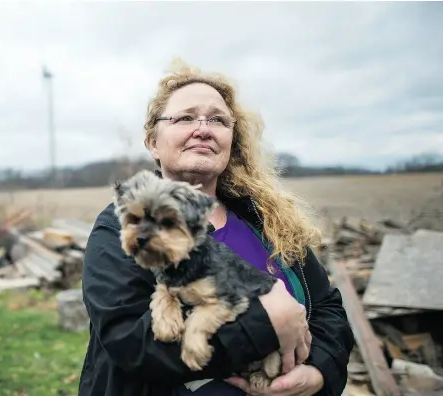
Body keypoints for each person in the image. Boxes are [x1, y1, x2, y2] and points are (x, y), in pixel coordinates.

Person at [78, 59, 354, 396]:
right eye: (185, 118)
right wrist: (266, 323)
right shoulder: (122, 226)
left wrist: (319, 372)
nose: (204, 128)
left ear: (231, 139)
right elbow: (130, 342)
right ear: (153, 141)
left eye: (218, 120)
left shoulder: (268, 220)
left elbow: (327, 307)